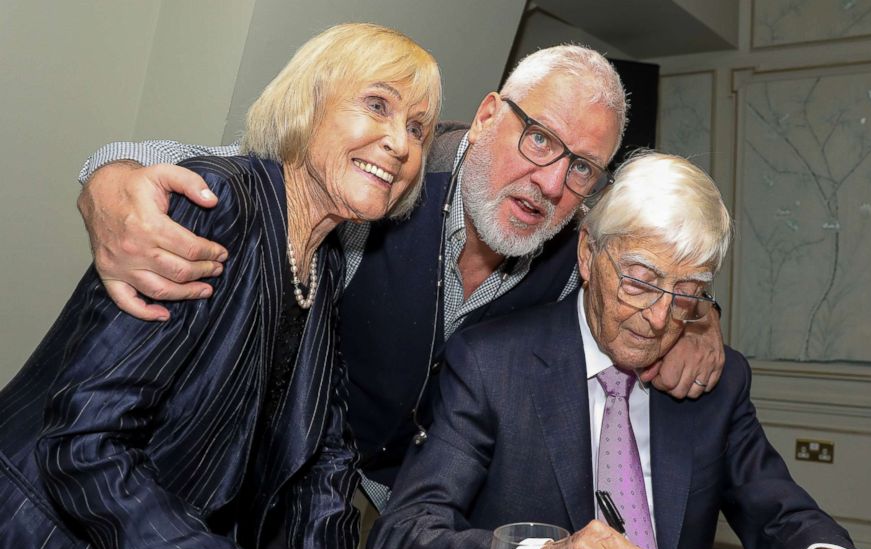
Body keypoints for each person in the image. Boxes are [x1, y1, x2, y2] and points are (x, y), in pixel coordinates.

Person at [73, 45, 727, 517]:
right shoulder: (396, 167)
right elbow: (245, 169)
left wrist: (699, 317)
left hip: (418, 509)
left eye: (582, 167)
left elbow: (648, 269)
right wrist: (107, 181)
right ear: (491, 114)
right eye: (538, 139)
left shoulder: (576, 244)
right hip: (285, 483)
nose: (553, 183)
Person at [368, 152, 871, 549]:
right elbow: (404, 537)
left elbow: (780, 512)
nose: (658, 319)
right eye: (638, 280)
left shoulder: (713, 383)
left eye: (687, 294)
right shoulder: (493, 363)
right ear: (587, 255)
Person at [0, 22, 438, 549]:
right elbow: (84, 443)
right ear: (308, 103)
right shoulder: (217, 204)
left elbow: (325, 450)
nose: (398, 142)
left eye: (418, 128)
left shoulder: (326, 256)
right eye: (377, 104)